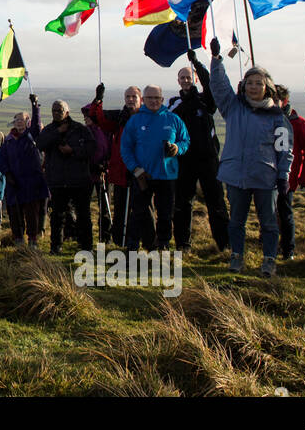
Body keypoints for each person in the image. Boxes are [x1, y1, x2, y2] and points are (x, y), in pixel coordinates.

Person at [204, 44, 291, 276]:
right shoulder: (233, 107)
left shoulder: (277, 117)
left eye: (259, 83)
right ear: (244, 86)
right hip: (235, 175)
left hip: (265, 176)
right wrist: (216, 59)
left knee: (269, 223)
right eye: (250, 83)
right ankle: (236, 256)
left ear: (267, 88)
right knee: (236, 221)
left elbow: (285, 150)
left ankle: (270, 260)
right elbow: (220, 87)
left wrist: (283, 175)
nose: (254, 87)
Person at [119, 85, 189, 251]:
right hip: (143, 175)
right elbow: (126, 148)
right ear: (143, 99)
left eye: (157, 98)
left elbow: (185, 141)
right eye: (150, 98)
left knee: (165, 215)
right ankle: (133, 248)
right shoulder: (135, 120)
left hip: (167, 175)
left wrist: (177, 148)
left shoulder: (173, 119)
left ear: (162, 99)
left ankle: (163, 246)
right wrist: (135, 169)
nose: (153, 101)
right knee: (138, 213)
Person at [169, 59, 229, 252]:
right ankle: (183, 244)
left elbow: (210, 86)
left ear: (195, 78)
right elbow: (172, 118)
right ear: (178, 81)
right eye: (182, 78)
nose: (186, 80)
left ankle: (224, 244)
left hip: (208, 158)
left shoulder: (206, 100)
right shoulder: (174, 103)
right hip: (184, 159)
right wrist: (188, 101)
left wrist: (197, 64)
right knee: (183, 203)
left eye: (189, 77)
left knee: (216, 201)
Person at [84, 85, 142, 246]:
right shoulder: (119, 117)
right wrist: (98, 99)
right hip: (121, 171)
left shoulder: (147, 117)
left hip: (143, 171)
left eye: (134, 97)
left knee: (141, 208)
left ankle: (143, 241)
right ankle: (120, 241)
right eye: (128, 96)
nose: (130, 99)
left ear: (140, 99)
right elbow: (98, 119)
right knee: (121, 207)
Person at [38, 99, 95, 253]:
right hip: (57, 180)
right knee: (57, 216)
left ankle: (86, 247)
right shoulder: (49, 130)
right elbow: (40, 144)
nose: (56, 113)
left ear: (67, 112)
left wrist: (73, 150)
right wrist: (58, 133)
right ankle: (56, 247)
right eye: (54, 110)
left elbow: (91, 148)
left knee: (83, 215)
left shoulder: (80, 129)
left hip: (79, 180)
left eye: (60, 110)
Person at [0, 95, 49, 247]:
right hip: (14, 183)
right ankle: (18, 240)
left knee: (31, 212)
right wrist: (7, 173)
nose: (19, 121)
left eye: (22, 119)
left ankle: (32, 240)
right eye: (17, 119)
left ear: (27, 122)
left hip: (31, 182)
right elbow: (2, 160)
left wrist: (34, 106)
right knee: (15, 213)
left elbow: (36, 124)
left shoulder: (30, 136)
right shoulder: (8, 140)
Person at [276, 86, 305, 261]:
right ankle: (269, 246)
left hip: (288, 179)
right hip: (264, 176)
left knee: (285, 214)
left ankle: (288, 251)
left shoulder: (300, 124)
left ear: (284, 101)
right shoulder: (265, 120)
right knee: (268, 213)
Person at [81, 109, 112, 242]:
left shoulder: (105, 131)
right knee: (83, 207)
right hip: (85, 173)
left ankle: (105, 236)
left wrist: (106, 165)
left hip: (102, 173)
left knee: (104, 206)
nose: (86, 118)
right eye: (85, 116)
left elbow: (111, 149)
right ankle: (84, 237)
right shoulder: (83, 131)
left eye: (88, 116)